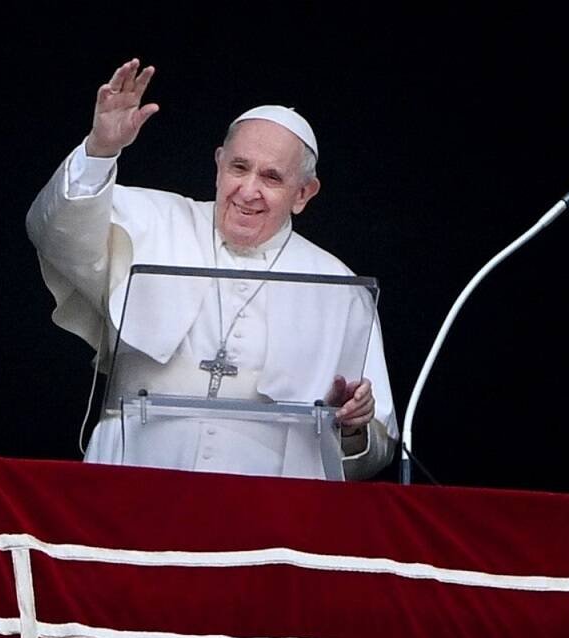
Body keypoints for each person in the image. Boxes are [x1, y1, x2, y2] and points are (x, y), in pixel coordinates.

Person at [27, 59, 397, 480]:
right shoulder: (154, 219)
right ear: (219, 163)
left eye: (272, 177)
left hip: (268, 499)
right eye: (239, 167)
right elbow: (54, 231)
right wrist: (100, 149)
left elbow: (373, 450)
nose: (249, 189)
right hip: (136, 473)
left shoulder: (339, 287)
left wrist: (352, 426)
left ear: (303, 193)